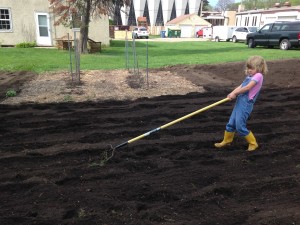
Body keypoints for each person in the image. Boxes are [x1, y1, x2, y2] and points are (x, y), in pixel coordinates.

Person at [215, 55, 268, 151]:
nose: (249, 70)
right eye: (248, 68)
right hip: (240, 101)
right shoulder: (250, 76)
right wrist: (232, 93)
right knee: (231, 123)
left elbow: (247, 88)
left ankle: (253, 143)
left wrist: (235, 93)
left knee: (239, 125)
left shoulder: (258, 76)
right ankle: (227, 141)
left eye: (251, 68)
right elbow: (241, 86)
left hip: (246, 103)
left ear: (259, 68)